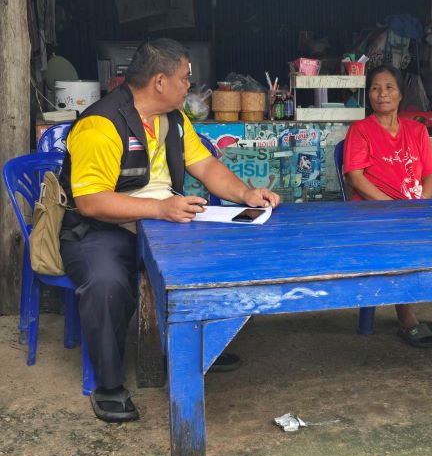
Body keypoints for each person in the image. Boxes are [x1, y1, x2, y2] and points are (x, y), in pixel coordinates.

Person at [59, 38, 281, 423]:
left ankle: (197, 349)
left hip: (163, 222)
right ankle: (109, 385)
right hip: (101, 229)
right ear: (160, 81)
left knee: (217, 259)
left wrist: (246, 194)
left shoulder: (174, 119)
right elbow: (92, 202)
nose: (189, 86)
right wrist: (160, 208)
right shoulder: (101, 124)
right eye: (185, 78)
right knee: (107, 283)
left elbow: (206, 167)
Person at [343, 65, 432, 348]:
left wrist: (420, 204)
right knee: (399, 245)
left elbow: (431, 174)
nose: (382, 94)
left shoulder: (417, 131)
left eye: (389, 87)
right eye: (375, 88)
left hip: (415, 210)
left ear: (400, 94)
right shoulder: (360, 130)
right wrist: (392, 208)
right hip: (375, 214)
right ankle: (407, 318)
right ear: (368, 95)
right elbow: (356, 177)